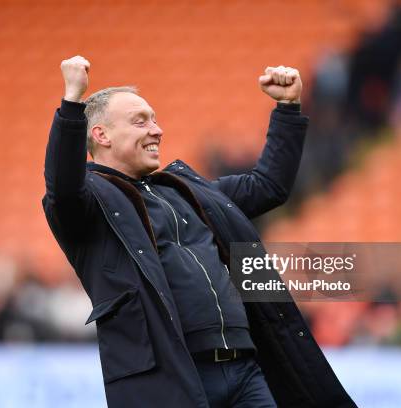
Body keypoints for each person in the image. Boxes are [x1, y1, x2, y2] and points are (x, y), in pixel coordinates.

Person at [43, 55, 356, 408]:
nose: (156, 130)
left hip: (245, 369)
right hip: (173, 380)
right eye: (140, 121)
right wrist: (72, 101)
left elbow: (268, 185)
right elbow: (63, 188)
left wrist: (286, 109)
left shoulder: (187, 190)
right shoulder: (92, 204)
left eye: (155, 120)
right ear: (101, 135)